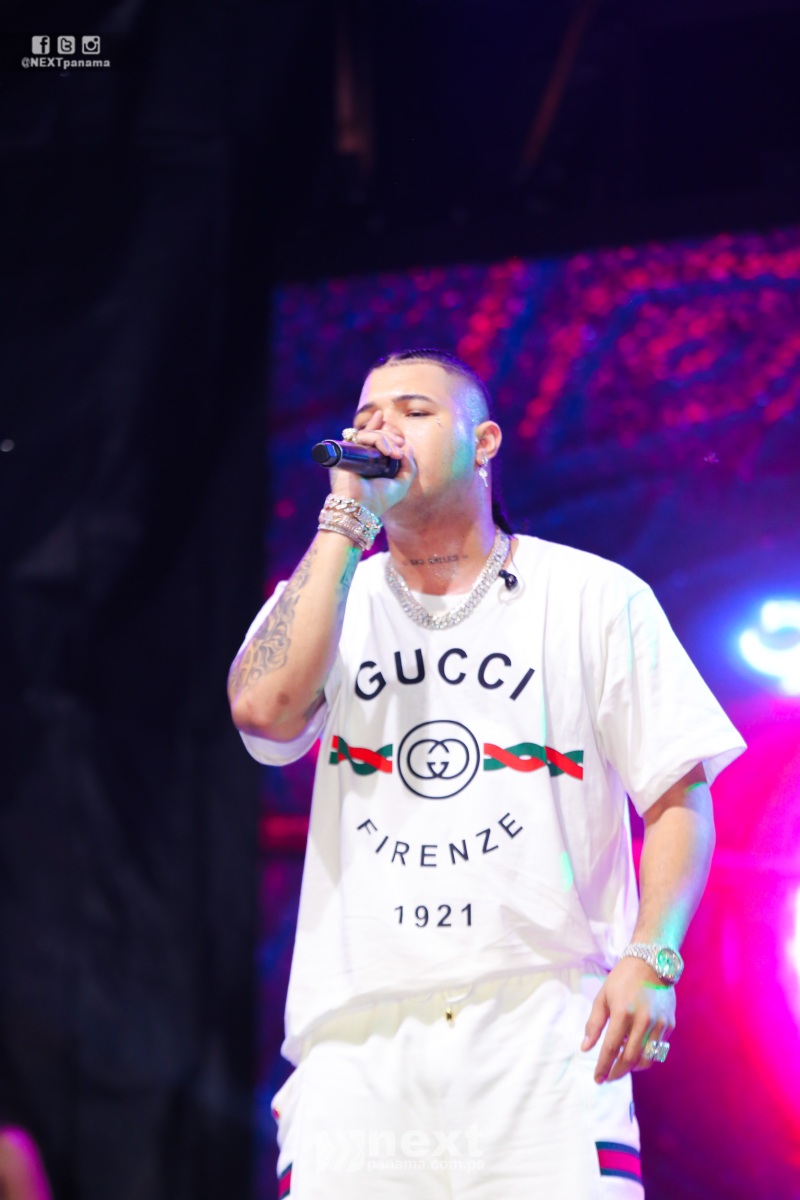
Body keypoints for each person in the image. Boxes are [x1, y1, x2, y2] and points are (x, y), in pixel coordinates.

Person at [228, 348, 745, 1199]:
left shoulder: (591, 595)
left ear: (486, 441)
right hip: (358, 1044)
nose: (382, 429)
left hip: (542, 1030)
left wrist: (653, 959)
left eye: (414, 410)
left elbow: (678, 795)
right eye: (366, 417)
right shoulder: (331, 597)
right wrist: (343, 523)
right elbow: (263, 713)